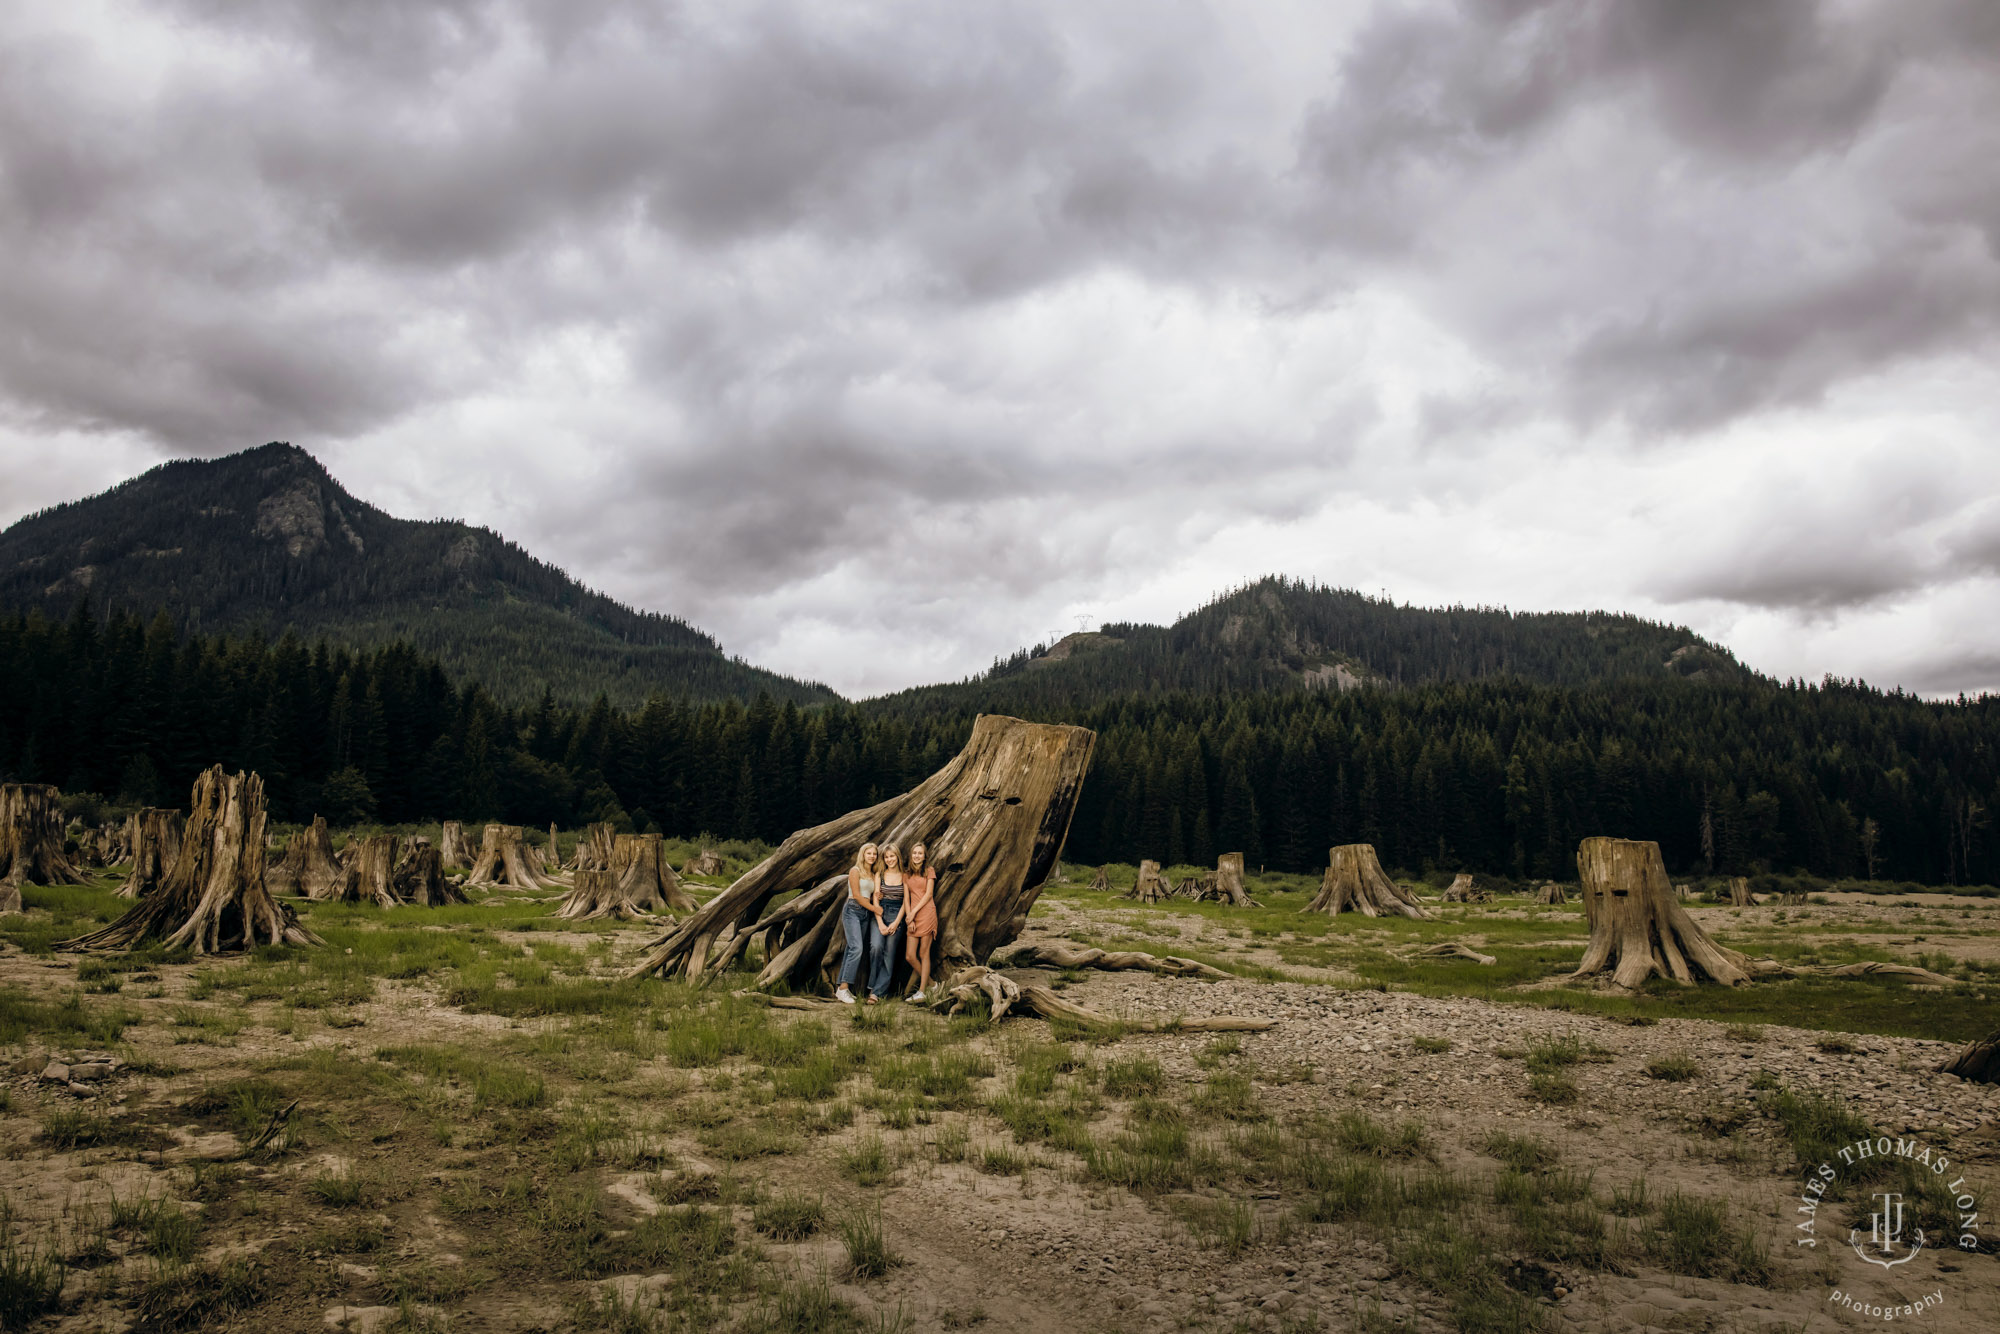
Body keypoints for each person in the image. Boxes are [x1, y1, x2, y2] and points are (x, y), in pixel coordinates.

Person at [835, 842, 881, 1005]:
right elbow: (857, 895)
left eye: (874, 854)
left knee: (850, 948)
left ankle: (841, 988)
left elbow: (872, 893)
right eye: (869, 853)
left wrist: (877, 899)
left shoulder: (873, 873)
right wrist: (876, 909)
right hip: (852, 910)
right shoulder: (855, 871)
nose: (872, 856)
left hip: (865, 913)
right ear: (863, 854)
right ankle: (843, 989)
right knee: (857, 948)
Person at [868, 843, 907, 1003]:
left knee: (889, 955)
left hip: (897, 914)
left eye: (892, 856)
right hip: (880, 913)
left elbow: (906, 901)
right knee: (875, 947)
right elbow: (876, 900)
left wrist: (897, 922)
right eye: (886, 857)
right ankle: (872, 984)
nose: (890, 859)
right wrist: (881, 923)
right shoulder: (880, 873)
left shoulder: (905, 875)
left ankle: (877, 993)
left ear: (897, 856)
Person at [903, 841, 938, 1002]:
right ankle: (933, 984)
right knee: (910, 956)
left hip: (926, 913)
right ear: (911, 855)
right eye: (914, 853)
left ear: (924, 856)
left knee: (924, 953)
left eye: (920, 853)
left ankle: (922, 991)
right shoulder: (907, 874)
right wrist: (909, 917)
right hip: (913, 916)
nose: (917, 856)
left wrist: (914, 913)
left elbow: (929, 894)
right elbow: (906, 898)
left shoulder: (929, 871)